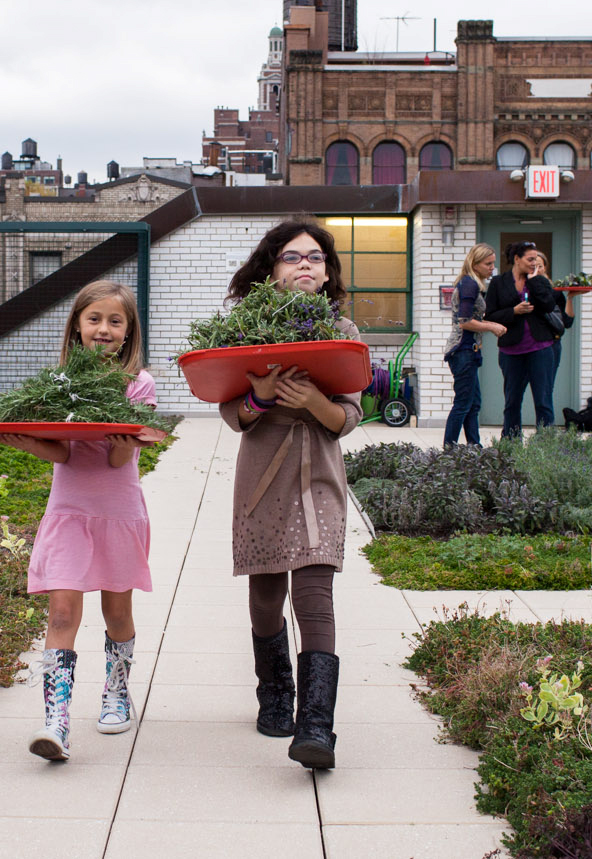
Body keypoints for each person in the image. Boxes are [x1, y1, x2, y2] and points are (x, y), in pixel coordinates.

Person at [218, 219, 363, 770]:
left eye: (317, 257)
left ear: (328, 274)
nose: (306, 264)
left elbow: (347, 417)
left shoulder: (342, 330)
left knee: (314, 592)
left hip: (319, 475)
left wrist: (310, 402)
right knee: (265, 594)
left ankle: (317, 726)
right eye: (291, 256)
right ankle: (274, 692)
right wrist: (258, 396)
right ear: (271, 271)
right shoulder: (247, 327)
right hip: (261, 477)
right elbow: (233, 416)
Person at [0, 280, 157, 762]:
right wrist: (21, 439)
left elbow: (114, 462)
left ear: (128, 332)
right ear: (77, 327)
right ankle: (56, 721)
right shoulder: (59, 381)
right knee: (62, 612)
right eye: (94, 319)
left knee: (117, 613)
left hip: (118, 510)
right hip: (68, 510)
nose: (103, 329)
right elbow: (62, 450)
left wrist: (128, 438)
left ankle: (116, 693)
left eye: (114, 321)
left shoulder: (138, 384)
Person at [483, 241, 559, 438]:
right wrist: (513, 312)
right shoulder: (499, 283)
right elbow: (490, 315)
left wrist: (534, 281)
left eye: (536, 259)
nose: (534, 263)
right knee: (512, 400)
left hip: (540, 349)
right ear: (517, 259)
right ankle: (510, 442)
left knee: (543, 399)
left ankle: (545, 444)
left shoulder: (539, 281)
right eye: (530, 259)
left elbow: (549, 305)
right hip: (511, 351)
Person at [442, 244, 506, 447]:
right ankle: (449, 449)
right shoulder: (469, 284)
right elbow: (464, 321)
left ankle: (474, 447)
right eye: (488, 264)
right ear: (475, 264)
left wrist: (490, 323)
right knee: (463, 404)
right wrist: (492, 327)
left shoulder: (471, 284)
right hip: (463, 351)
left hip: (469, 351)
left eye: (493, 263)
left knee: (473, 403)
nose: (492, 268)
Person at [531, 251, 576, 376]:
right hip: (527, 343)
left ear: (545, 268)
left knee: (547, 386)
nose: (536, 270)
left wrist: (570, 299)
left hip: (551, 344)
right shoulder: (522, 290)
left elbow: (567, 322)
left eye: (540, 266)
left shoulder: (554, 292)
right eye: (533, 267)